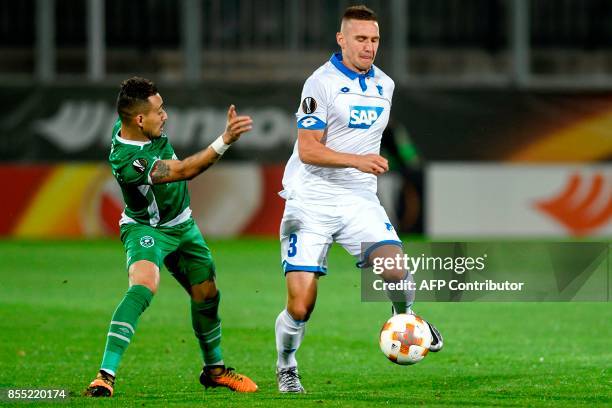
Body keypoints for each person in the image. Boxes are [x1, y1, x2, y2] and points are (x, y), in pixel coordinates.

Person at [274, 5, 443, 393]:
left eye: (374, 39)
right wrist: (357, 160)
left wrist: (361, 168)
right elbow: (308, 150)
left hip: (358, 199)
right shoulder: (320, 83)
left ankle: (407, 318)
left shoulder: (386, 84)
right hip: (310, 200)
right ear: (342, 39)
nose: (369, 47)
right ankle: (287, 365)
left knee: (396, 269)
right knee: (301, 306)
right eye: (361, 39)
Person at [85, 77, 258, 397]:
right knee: (143, 285)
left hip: (183, 226)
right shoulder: (129, 161)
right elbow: (184, 170)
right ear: (139, 119)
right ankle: (104, 375)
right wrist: (225, 140)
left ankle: (215, 371)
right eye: (159, 111)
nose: (165, 116)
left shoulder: (129, 125)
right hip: (146, 228)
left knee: (207, 294)